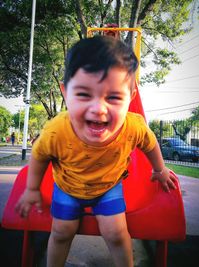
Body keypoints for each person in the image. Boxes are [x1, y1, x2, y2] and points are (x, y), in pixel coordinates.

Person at [15, 36, 176, 267]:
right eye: (83, 94)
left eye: (113, 97)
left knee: (117, 234)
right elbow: (40, 155)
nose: (99, 109)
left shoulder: (134, 126)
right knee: (61, 231)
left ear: (130, 96)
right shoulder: (56, 131)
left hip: (108, 187)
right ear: (65, 92)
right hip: (68, 187)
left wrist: (159, 170)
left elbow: (150, 143)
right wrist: (32, 189)